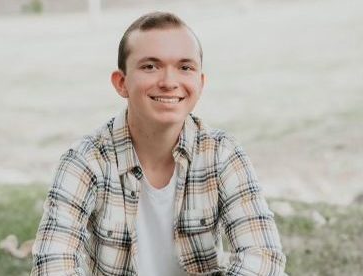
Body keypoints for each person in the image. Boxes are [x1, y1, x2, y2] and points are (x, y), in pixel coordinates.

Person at [31, 11, 286, 276]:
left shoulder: (222, 154)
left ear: (200, 82)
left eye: (185, 67)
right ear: (122, 83)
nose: (168, 82)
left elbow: (263, 258)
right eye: (150, 66)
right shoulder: (85, 160)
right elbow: (52, 265)